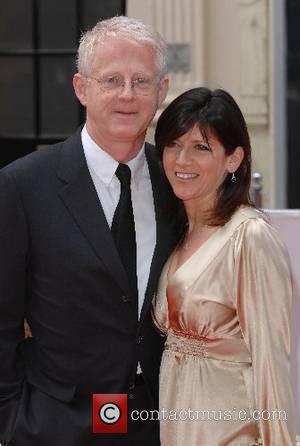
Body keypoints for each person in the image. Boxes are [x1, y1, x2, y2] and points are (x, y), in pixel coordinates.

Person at [0, 16, 180, 446]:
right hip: (55, 424)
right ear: (82, 88)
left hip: (159, 422)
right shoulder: (22, 186)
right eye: (112, 79)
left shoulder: (176, 181)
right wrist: (9, 418)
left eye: (141, 81)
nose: (127, 95)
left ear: (162, 91)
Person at [153, 87, 296, 445]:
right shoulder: (176, 235)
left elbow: (272, 363)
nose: (181, 160)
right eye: (172, 144)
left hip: (233, 434)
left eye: (201, 147)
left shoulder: (250, 237)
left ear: (233, 159)